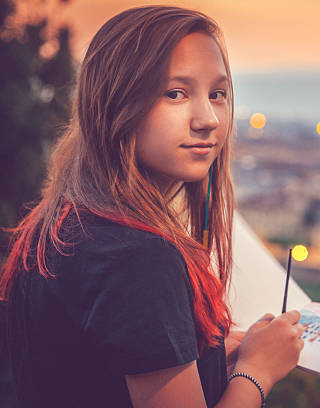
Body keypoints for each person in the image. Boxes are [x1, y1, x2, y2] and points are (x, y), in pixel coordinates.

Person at [0, 5, 304, 408]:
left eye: (218, 94)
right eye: (176, 93)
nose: (209, 119)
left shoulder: (65, 222)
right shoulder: (138, 258)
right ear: (115, 104)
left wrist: (213, 353)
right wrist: (258, 372)